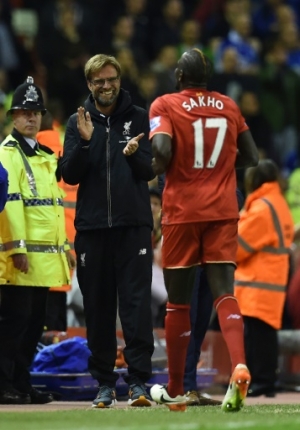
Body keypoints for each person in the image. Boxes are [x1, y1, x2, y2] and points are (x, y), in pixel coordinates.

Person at [148, 48, 259, 412]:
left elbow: (162, 152)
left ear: (179, 76)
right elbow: (253, 157)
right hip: (223, 209)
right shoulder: (228, 105)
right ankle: (240, 364)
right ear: (207, 78)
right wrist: (222, 166)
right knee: (224, 294)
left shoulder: (164, 104)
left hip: (182, 211)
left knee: (178, 302)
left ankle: (176, 388)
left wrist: (145, 163)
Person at [61, 54, 155, 409]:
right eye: (98, 80)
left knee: (136, 307)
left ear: (119, 79)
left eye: (111, 78)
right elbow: (69, 174)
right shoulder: (77, 122)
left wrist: (133, 155)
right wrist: (85, 143)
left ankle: (138, 383)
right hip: (93, 229)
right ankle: (104, 384)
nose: (106, 85)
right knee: (98, 309)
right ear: (89, 84)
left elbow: (149, 171)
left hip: (132, 229)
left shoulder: (140, 117)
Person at [0, 77, 73, 405]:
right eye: (24, 112)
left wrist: (66, 248)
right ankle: (4, 384)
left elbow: (55, 208)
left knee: (33, 326)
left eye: (36, 112)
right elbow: (10, 204)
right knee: (14, 324)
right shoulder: (6, 154)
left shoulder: (45, 155)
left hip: (43, 259)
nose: (31, 117)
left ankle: (22, 382)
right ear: (13, 116)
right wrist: (16, 248)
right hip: (21, 257)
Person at [234, 159, 294, 397]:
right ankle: (265, 382)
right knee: (264, 335)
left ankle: (262, 382)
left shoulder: (261, 208)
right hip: (271, 281)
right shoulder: (278, 203)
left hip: (256, 283)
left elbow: (237, 247)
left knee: (258, 337)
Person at [184, 188, 245, 407]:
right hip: (187, 249)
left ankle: (189, 386)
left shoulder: (221, 163)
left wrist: (213, 204)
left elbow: (238, 195)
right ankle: (183, 387)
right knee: (187, 321)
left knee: (200, 324)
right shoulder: (182, 160)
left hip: (212, 254)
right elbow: (167, 188)